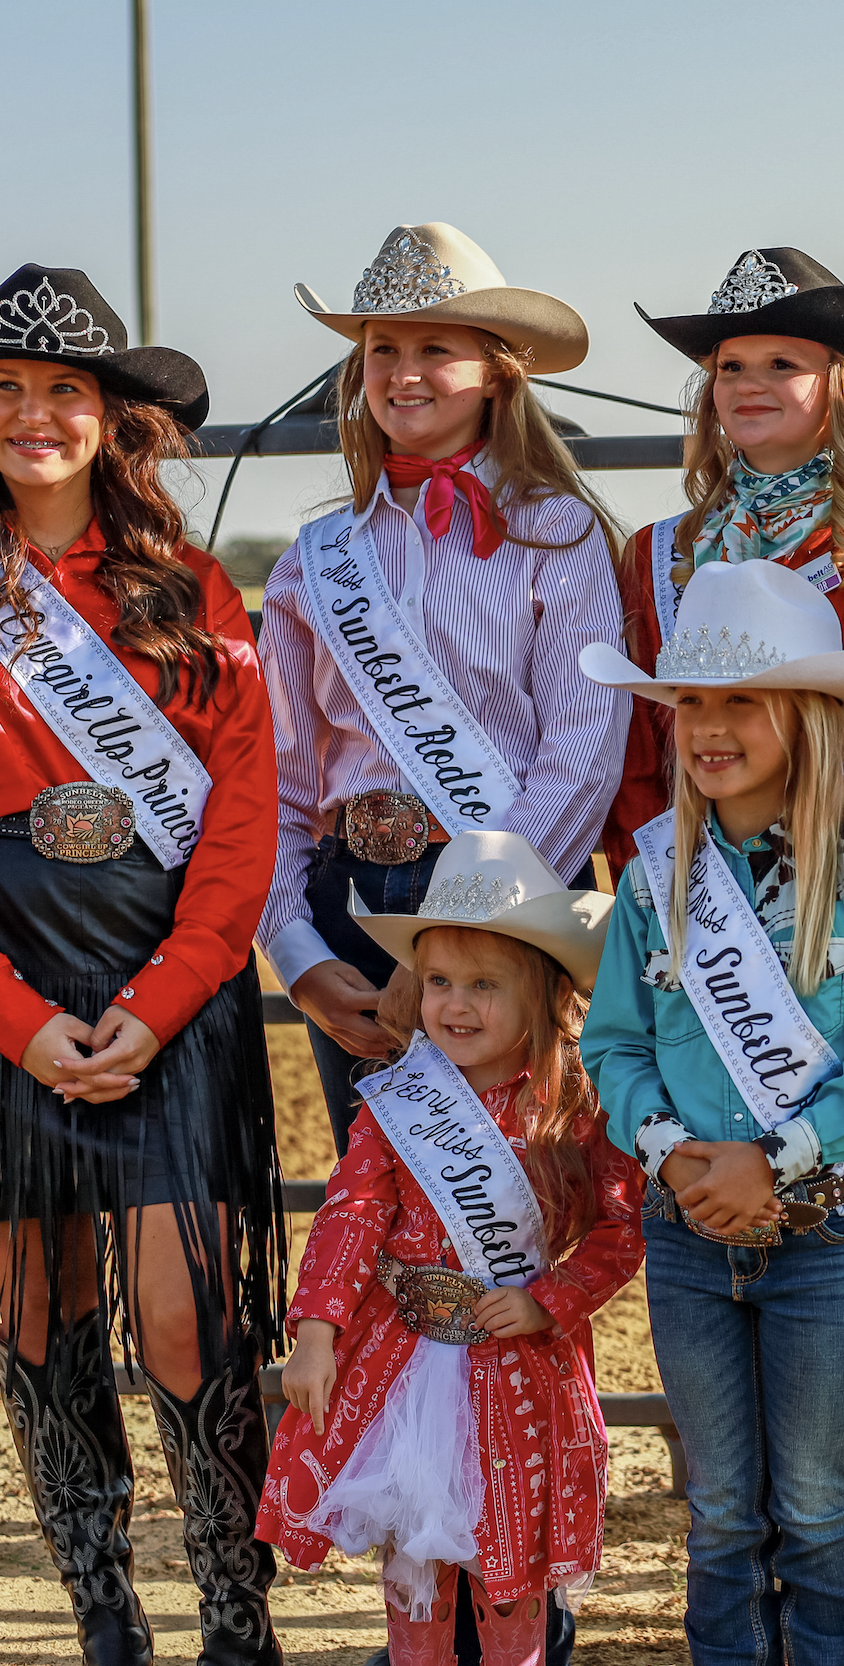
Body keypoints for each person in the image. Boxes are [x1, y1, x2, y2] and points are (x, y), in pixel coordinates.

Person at [0, 264, 286, 1665]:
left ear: (113, 421)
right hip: (6, 1006)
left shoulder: (194, 593)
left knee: (183, 1310)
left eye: (65, 391)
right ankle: (104, 1608)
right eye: (7, 388)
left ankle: (237, 1615)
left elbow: (238, 825)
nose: (34, 414)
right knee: (40, 1305)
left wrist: (158, 1008)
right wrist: (21, 1022)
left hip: (169, 998)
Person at [603, 247, 844, 1634]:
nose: (748, 384)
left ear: (843, 388)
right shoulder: (662, 551)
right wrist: (682, 885)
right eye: (728, 364)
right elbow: (649, 758)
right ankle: (743, 1554)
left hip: (825, 945)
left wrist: (800, 898)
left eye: (781, 363)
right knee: (710, 1262)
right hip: (689, 922)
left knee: (832, 1272)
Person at [578, 559, 844, 1665]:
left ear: (811, 717)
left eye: (741, 698)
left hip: (824, 1234)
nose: (708, 725)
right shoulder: (650, 881)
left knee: (825, 1502)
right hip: (686, 1229)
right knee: (724, 1506)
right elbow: (613, 1045)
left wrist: (771, 1159)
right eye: (689, 700)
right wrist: (678, 1154)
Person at [261, 221, 629, 1160]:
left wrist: (462, 927)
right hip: (350, 897)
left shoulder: (559, 532)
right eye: (383, 348)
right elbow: (278, 781)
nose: (403, 371)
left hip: (509, 895)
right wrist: (300, 956)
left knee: (505, 1188)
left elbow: (582, 753)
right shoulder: (318, 558)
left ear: (500, 370)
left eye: (436, 347)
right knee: (373, 1189)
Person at [258, 830, 643, 1666]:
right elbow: (351, 1214)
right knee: (417, 1578)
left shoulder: (578, 1109)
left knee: (512, 1571)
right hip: (409, 1376)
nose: (455, 1005)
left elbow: (619, 1228)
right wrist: (317, 1331)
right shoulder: (398, 1100)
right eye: (437, 982)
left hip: (519, 1368)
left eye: (483, 985)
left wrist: (553, 1297)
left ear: (542, 995)